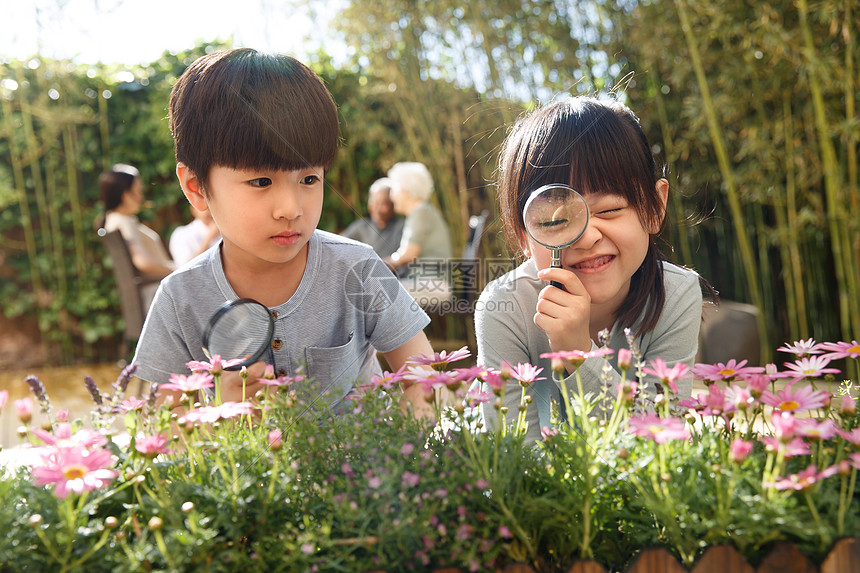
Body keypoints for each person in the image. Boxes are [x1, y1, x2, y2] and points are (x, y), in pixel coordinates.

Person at [132, 49, 436, 418]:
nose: (291, 208)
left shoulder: (357, 268)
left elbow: (421, 377)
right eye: (261, 181)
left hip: (366, 472)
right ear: (196, 187)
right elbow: (164, 429)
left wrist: (408, 456)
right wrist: (221, 414)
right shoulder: (181, 298)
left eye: (309, 179)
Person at [476, 96, 706, 443]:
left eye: (610, 209)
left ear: (656, 207)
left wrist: (579, 353)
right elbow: (512, 458)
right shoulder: (504, 307)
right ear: (523, 234)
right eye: (557, 220)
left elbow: (663, 446)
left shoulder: (677, 293)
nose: (586, 237)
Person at [97, 163, 177, 310]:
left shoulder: (113, 220)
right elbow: (143, 262)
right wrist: (177, 269)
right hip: (159, 296)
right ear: (126, 195)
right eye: (139, 191)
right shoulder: (124, 222)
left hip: (154, 294)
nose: (142, 196)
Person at [383, 162, 453, 308]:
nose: (392, 196)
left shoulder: (421, 213)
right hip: (427, 282)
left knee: (378, 293)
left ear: (406, 190)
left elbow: (409, 254)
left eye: (394, 189)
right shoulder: (421, 212)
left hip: (434, 284)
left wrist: (380, 264)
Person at [340, 177, 404, 259]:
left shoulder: (401, 227)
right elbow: (339, 243)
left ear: (393, 205)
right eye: (374, 202)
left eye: (384, 204)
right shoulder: (361, 226)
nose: (377, 208)